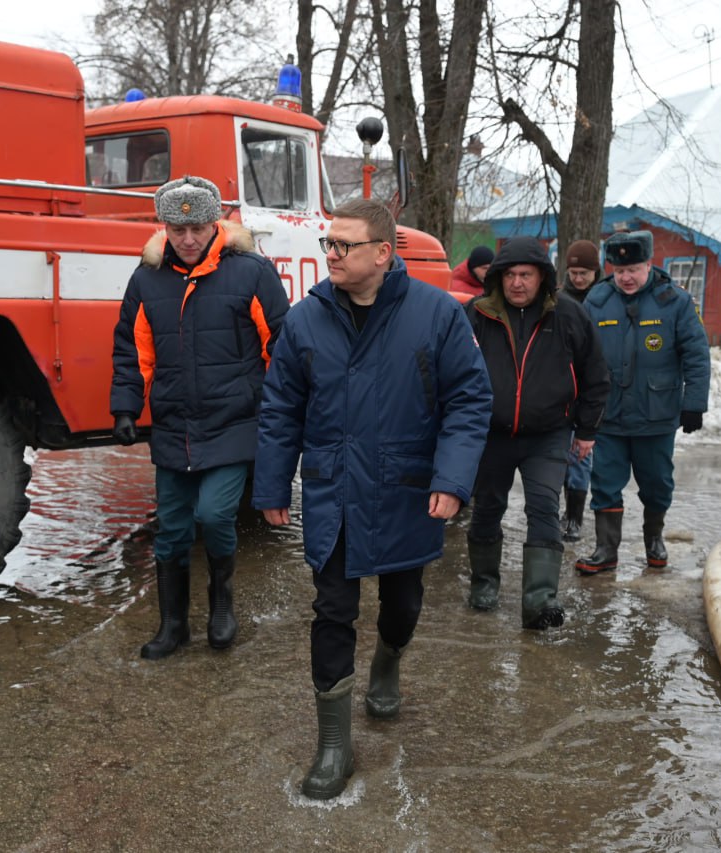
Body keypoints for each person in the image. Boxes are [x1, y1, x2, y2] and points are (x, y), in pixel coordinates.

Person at [253, 199, 492, 800]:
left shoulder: (436, 314)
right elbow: (280, 409)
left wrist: (450, 479)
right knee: (331, 611)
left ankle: (387, 663)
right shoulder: (306, 321)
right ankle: (333, 744)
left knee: (402, 603)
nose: (329, 255)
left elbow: (468, 399)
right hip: (334, 490)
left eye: (343, 246)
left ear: (382, 254)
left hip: (406, 489)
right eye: (327, 245)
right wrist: (273, 483)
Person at [110, 175, 289, 660]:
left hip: (233, 423)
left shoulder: (251, 272)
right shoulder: (146, 279)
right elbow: (132, 350)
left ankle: (222, 608)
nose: (187, 240)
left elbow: (281, 347)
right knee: (170, 528)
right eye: (176, 229)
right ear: (163, 227)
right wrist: (126, 406)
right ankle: (172, 626)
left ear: (216, 224)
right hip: (174, 425)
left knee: (213, 514)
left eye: (197, 229)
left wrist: (280, 414)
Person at [464, 237, 609, 628]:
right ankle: (484, 585)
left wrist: (587, 430)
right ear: (497, 278)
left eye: (525, 275)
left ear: (542, 277)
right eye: (509, 275)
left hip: (548, 432)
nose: (516, 283)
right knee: (487, 507)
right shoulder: (475, 314)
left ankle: (540, 600)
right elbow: (449, 372)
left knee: (543, 506)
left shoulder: (568, 315)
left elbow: (595, 374)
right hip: (491, 432)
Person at [577, 230, 710, 574]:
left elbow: (696, 354)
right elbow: (579, 357)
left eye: (634, 269)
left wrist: (693, 403)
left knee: (657, 483)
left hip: (657, 413)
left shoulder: (675, 301)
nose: (626, 277)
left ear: (650, 264)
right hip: (609, 414)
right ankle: (606, 549)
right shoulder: (597, 300)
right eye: (620, 270)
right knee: (604, 482)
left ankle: (654, 538)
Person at [558, 239, 604, 542]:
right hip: (562, 388)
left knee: (580, 458)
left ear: (595, 272)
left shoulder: (603, 300)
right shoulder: (558, 300)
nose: (578, 279)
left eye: (584, 273)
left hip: (590, 386)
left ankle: (575, 517)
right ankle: (564, 511)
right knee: (561, 457)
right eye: (573, 272)